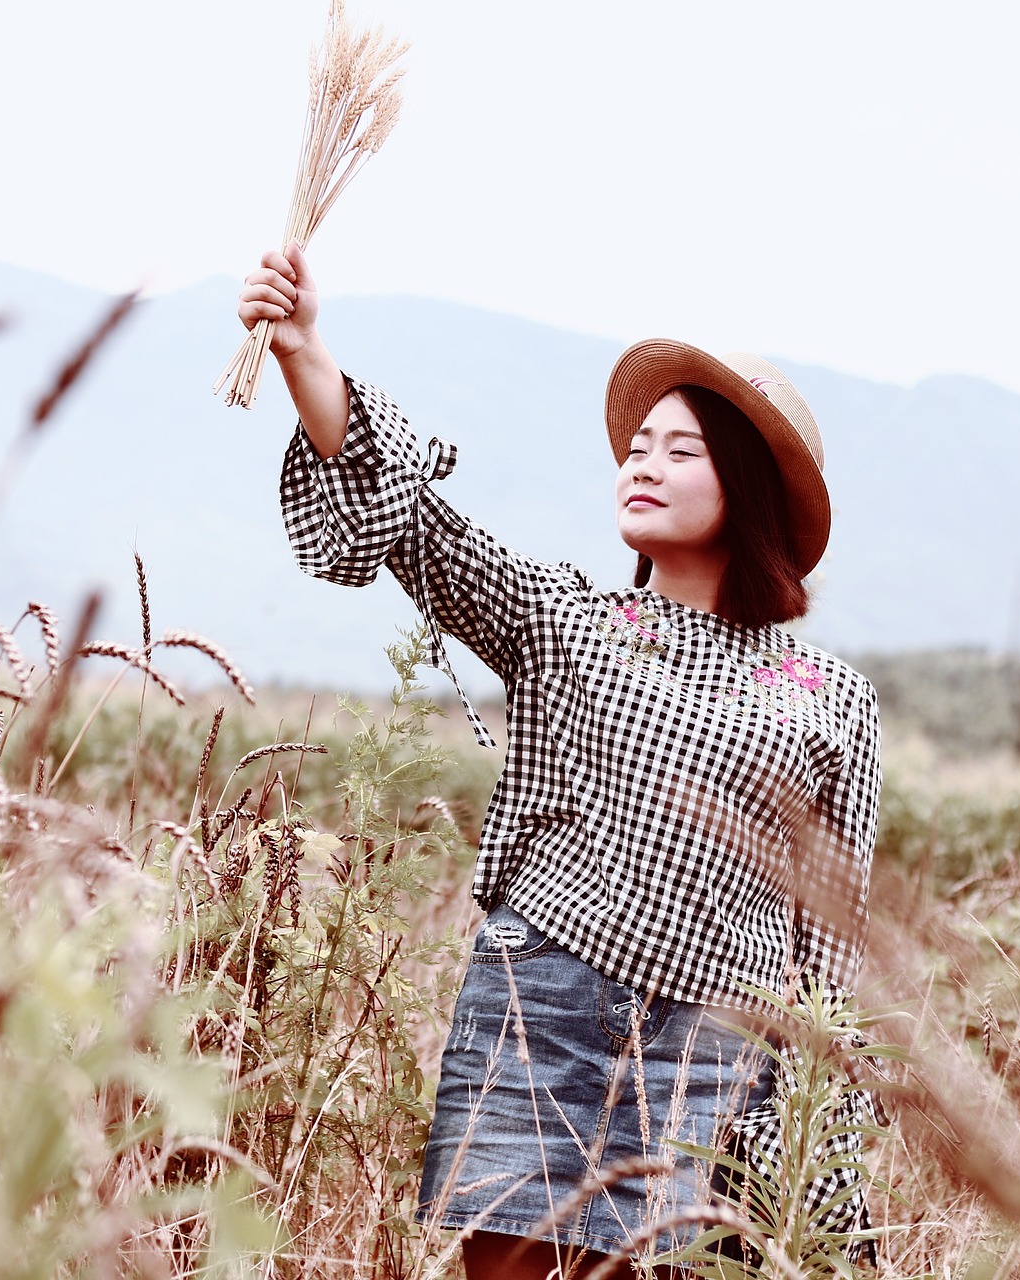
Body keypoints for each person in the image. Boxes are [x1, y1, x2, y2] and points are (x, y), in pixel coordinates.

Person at [239, 242, 882, 1278]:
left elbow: (833, 947)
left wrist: (819, 1144)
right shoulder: (567, 618)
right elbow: (425, 534)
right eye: (637, 445)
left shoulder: (830, 697)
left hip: (712, 1057)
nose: (641, 462)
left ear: (749, 483)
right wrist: (306, 354)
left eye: (681, 449)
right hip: (545, 1012)